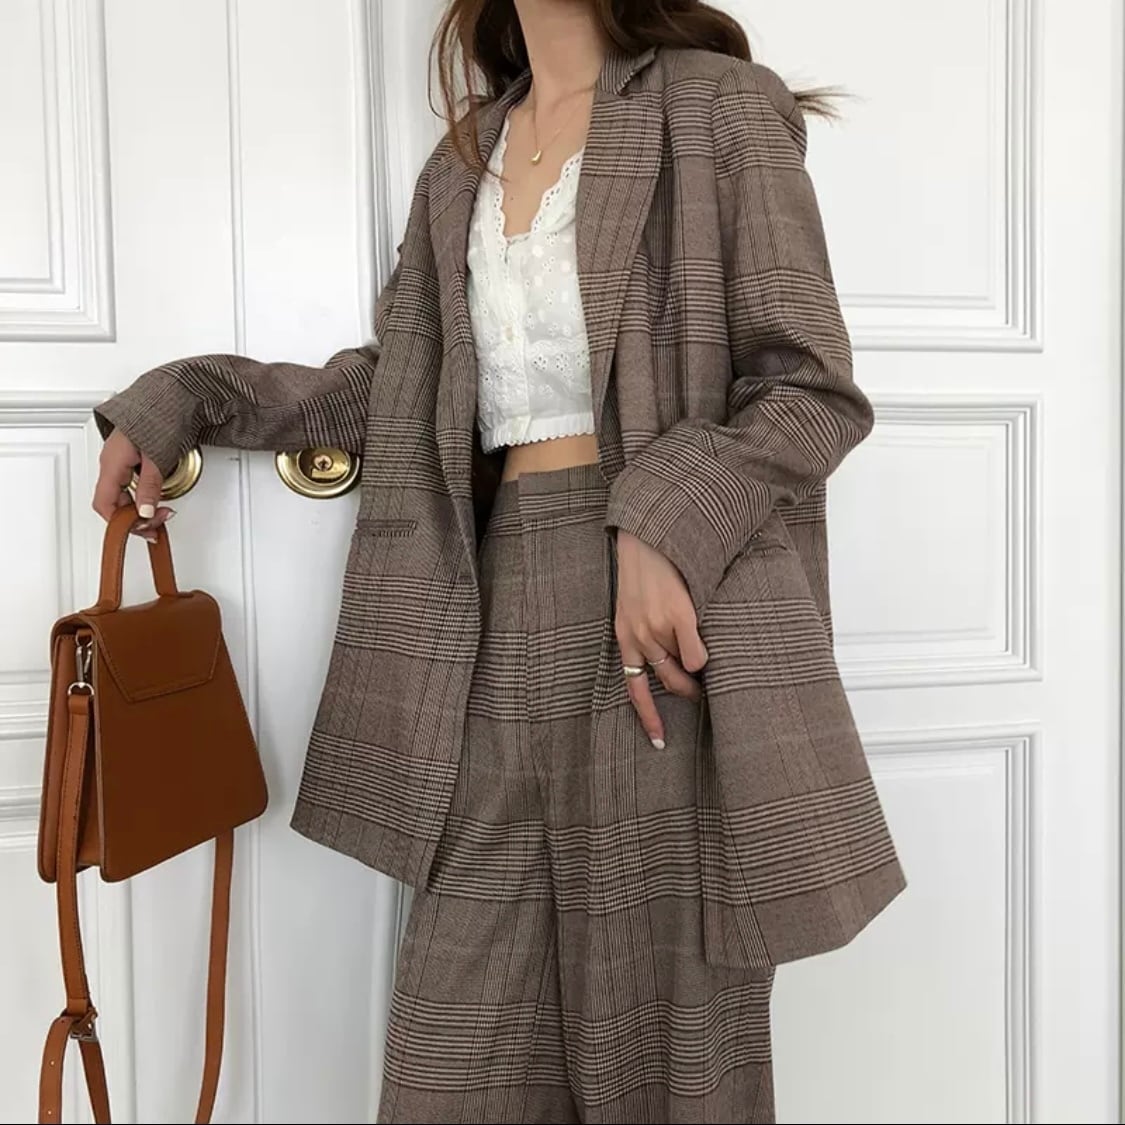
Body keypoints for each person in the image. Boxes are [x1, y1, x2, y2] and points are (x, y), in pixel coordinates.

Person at [91, 1, 905, 1121]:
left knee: (667, 1057)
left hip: (663, 628)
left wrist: (663, 523)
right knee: (453, 1063)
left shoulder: (716, 108)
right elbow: (403, 393)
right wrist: (193, 395)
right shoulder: (465, 157)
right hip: (484, 610)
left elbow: (810, 389)